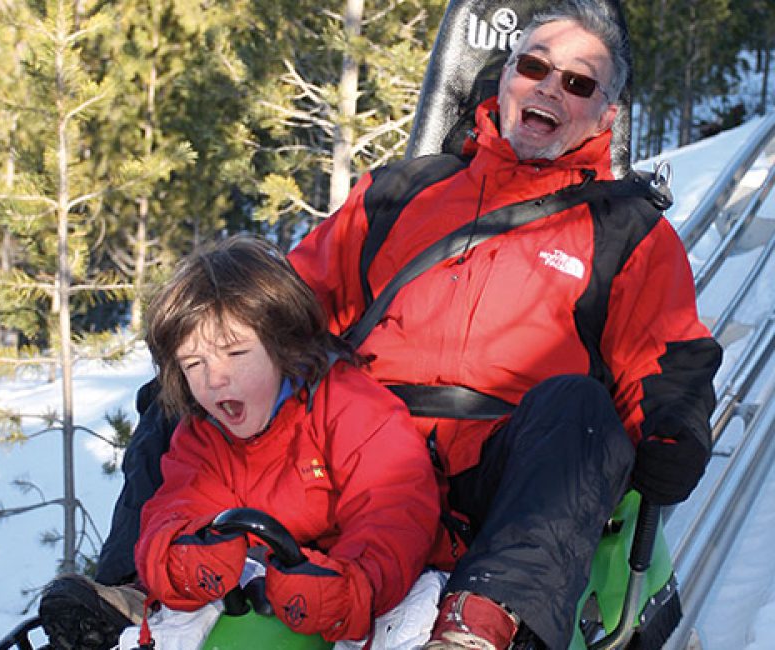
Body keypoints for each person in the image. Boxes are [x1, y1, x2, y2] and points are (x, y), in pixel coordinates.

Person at [39, 1, 723, 648]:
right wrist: (218, 345)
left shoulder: (624, 230)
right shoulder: (402, 193)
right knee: (199, 377)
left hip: (499, 469)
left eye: (577, 82)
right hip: (351, 441)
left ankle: (477, 623)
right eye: (535, 67)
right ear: (507, 76)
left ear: (605, 112)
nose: (549, 89)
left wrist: (673, 428)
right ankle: (129, 587)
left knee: (580, 407)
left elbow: (669, 356)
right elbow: (286, 304)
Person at [40, 236, 441, 647]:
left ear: (282, 345)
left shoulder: (349, 406)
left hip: (356, 592)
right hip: (254, 597)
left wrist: (348, 585)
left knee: (405, 621)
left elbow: (395, 511)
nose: (215, 378)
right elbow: (173, 509)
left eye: (235, 353)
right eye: (194, 364)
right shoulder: (203, 436)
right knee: (178, 624)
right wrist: (181, 557)